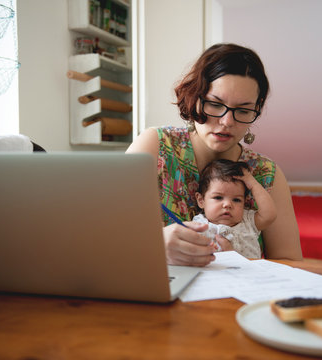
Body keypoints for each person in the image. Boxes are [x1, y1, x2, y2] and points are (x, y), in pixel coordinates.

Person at [126, 43, 302, 266]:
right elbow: (101, 230)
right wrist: (154, 245)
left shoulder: (267, 175)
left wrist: (239, 261)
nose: (226, 122)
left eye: (244, 110)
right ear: (195, 97)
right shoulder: (156, 146)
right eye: (215, 104)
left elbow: (291, 263)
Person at [193, 159, 276, 259]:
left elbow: (269, 215)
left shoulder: (248, 221)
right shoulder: (199, 225)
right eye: (218, 197)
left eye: (236, 200)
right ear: (201, 200)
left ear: (244, 202)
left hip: (250, 273)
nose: (228, 204)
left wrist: (253, 184)